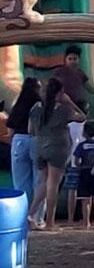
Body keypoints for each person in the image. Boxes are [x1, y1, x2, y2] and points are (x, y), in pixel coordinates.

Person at [27, 77, 85, 231]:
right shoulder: (63, 109)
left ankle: (31, 213)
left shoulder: (36, 108)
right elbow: (82, 117)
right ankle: (50, 222)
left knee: (43, 183)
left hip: (40, 147)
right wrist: (69, 101)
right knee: (53, 183)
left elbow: (30, 130)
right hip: (58, 148)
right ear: (60, 93)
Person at [9, 78, 43, 212]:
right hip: (37, 139)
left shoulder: (18, 104)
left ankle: (22, 216)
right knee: (40, 181)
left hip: (19, 140)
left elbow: (10, 127)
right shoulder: (40, 104)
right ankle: (37, 217)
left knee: (21, 183)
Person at [71, 121, 94, 229]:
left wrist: (79, 166)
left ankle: (86, 223)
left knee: (85, 199)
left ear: (84, 132)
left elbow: (77, 160)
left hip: (84, 172)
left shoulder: (81, 145)